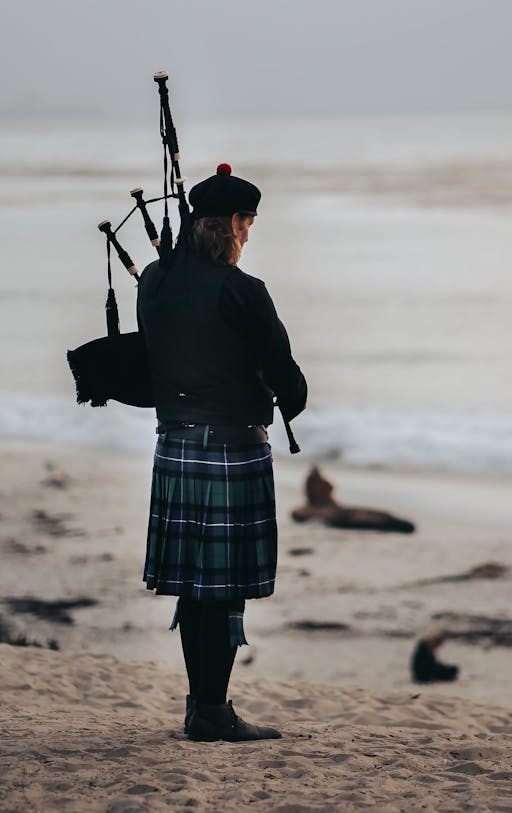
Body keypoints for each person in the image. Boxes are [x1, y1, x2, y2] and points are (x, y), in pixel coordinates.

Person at [137, 162, 307, 742]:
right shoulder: (244, 290)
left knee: (193, 586)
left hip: (176, 443)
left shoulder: (154, 281)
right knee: (226, 588)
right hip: (233, 450)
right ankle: (213, 712)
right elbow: (286, 374)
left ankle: (199, 706)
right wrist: (289, 395)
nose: (250, 234)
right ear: (234, 224)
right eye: (249, 223)